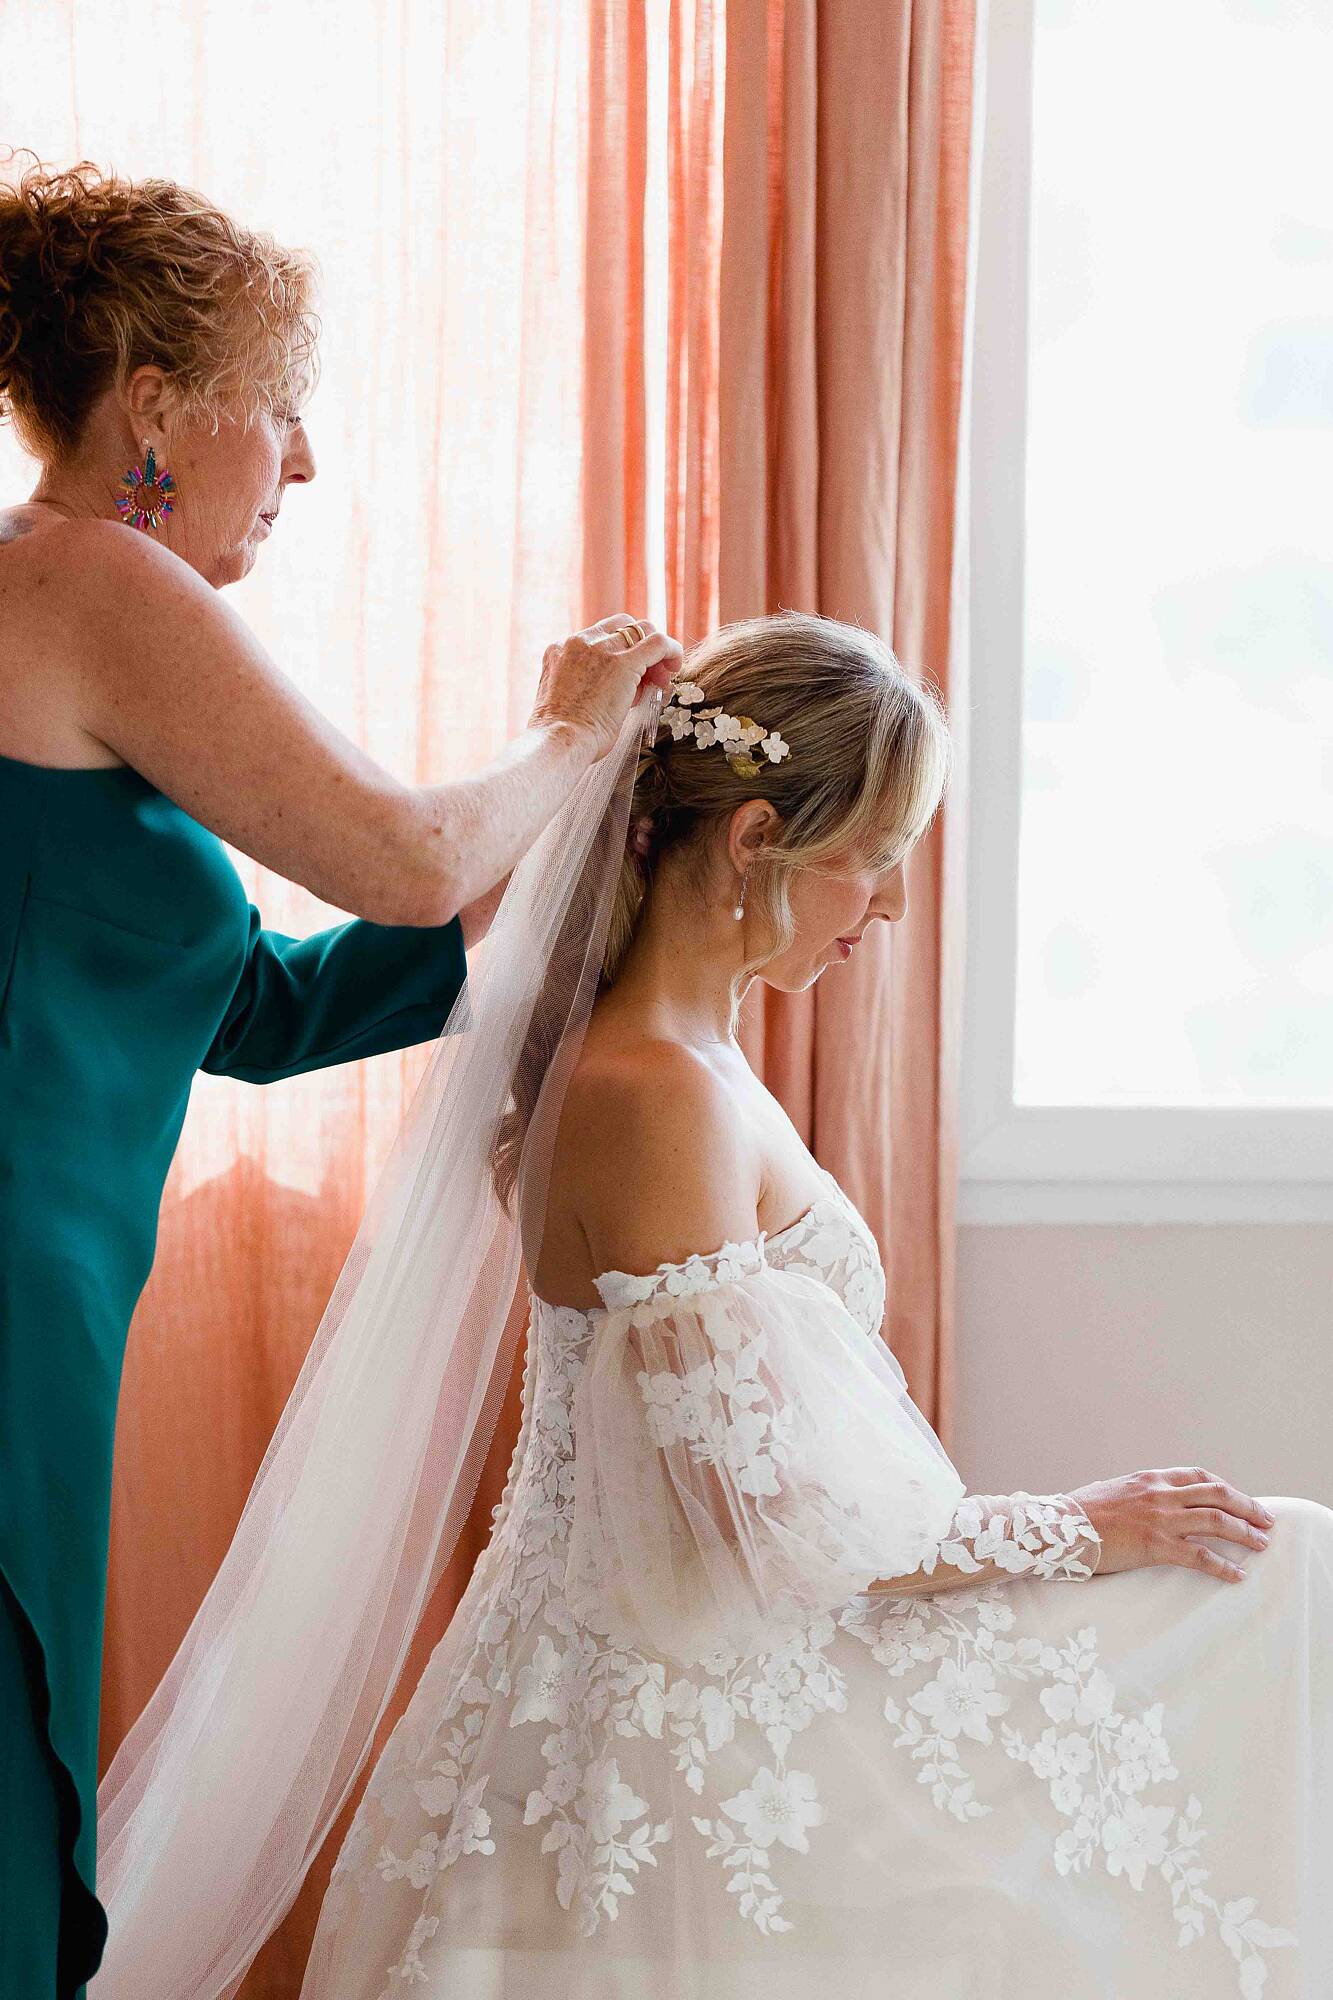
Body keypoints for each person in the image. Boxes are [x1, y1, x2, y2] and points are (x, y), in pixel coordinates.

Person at [94, 613, 1333, 2000]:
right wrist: (1079, 1529)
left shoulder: (686, 1062)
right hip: (677, 1714)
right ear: (751, 841)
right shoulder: (655, 1093)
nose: (892, 908)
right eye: (872, 860)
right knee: (1278, 1571)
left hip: (697, 1644)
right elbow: (759, 1520)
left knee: (1275, 1574)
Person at [0, 154, 679, 1999]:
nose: (302, 462)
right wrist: (569, 730)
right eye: (279, 406)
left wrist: (572, 904)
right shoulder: (90, 576)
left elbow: (255, 1007)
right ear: (154, 403)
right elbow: (391, 857)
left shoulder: (71, 611)